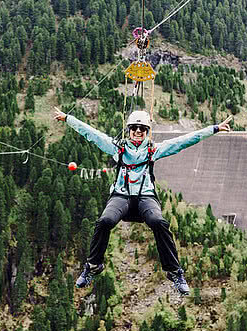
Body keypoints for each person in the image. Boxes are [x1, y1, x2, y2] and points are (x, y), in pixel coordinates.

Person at [54, 108, 231, 295]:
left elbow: (184, 141)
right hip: (121, 196)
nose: (138, 132)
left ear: (147, 132)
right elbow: (91, 134)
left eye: (143, 129)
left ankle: (174, 271)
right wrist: (68, 119)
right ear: (129, 130)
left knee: (159, 222)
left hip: (145, 197)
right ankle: (92, 266)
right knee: (105, 221)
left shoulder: (153, 150)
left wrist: (214, 129)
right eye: (135, 128)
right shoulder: (118, 148)